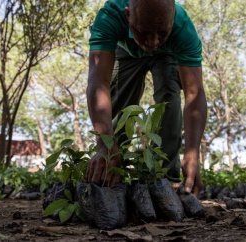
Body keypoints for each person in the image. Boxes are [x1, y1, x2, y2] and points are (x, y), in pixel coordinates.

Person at [86, 0, 207, 198]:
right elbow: (98, 83)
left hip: (167, 54)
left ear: (172, 19)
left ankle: (165, 177)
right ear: (128, 15)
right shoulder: (110, 17)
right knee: (120, 99)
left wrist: (193, 152)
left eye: (161, 32)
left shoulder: (182, 28)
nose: (152, 43)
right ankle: (112, 169)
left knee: (169, 96)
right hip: (125, 50)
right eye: (144, 32)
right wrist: (105, 144)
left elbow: (194, 93)